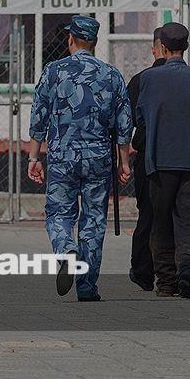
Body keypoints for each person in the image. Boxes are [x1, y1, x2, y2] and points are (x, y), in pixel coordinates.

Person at [27, 15, 133, 302]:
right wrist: (124, 162)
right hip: (99, 157)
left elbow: (39, 115)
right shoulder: (112, 75)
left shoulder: (54, 71)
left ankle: (65, 249)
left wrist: (34, 157)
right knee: (94, 220)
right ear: (95, 42)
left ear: (70, 38)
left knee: (59, 213)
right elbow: (124, 124)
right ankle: (87, 286)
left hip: (63, 156)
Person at [136, 22, 190, 299]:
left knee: (161, 221)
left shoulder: (149, 79)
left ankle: (166, 281)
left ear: (162, 47)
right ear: (186, 46)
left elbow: (140, 117)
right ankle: (188, 270)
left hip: (160, 161)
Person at [126, 27, 167, 291]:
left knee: (148, 213)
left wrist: (121, 158)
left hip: (148, 157)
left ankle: (143, 271)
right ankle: (172, 272)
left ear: (156, 49)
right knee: (175, 215)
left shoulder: (141, 80)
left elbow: (125, 122)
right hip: (182, 157)